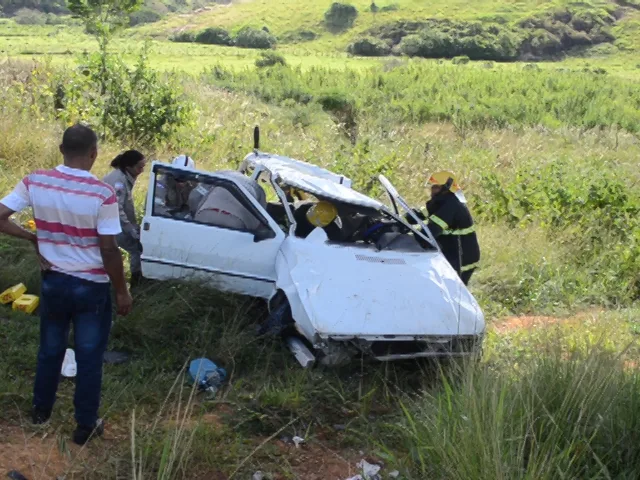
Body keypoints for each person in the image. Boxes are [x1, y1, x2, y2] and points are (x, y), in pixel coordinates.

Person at [0, 124, 133, 445]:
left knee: (49, 349)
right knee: (89, 356)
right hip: (91, 288)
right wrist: (121, 289)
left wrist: (33, 236)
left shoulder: (36, 181)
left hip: (53, 283)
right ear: (94, 154)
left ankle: (40, 412)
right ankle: (84, 426)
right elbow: (108, 248)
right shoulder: (103, 194)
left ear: (61, 149)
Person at [416, 171, 480, 285]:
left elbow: (430, 232)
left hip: (461, 260)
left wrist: (409, 236)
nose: (432, 191)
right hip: (454, 254)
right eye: (432, 187)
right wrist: (398, 220)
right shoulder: (442, 202)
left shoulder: (451, 206)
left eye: (436, 187)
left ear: (446, 188)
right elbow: (420, 214)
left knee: (454, 294)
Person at [102, 150, 146, 285]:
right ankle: (136, 281)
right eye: (139, 167)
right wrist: (130, 228)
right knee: (136, 248)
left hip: (111, 220)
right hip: (110, 222)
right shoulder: (119, 181)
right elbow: (117, 207)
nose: (142, 170)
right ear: (128, 167)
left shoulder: (123, 176)